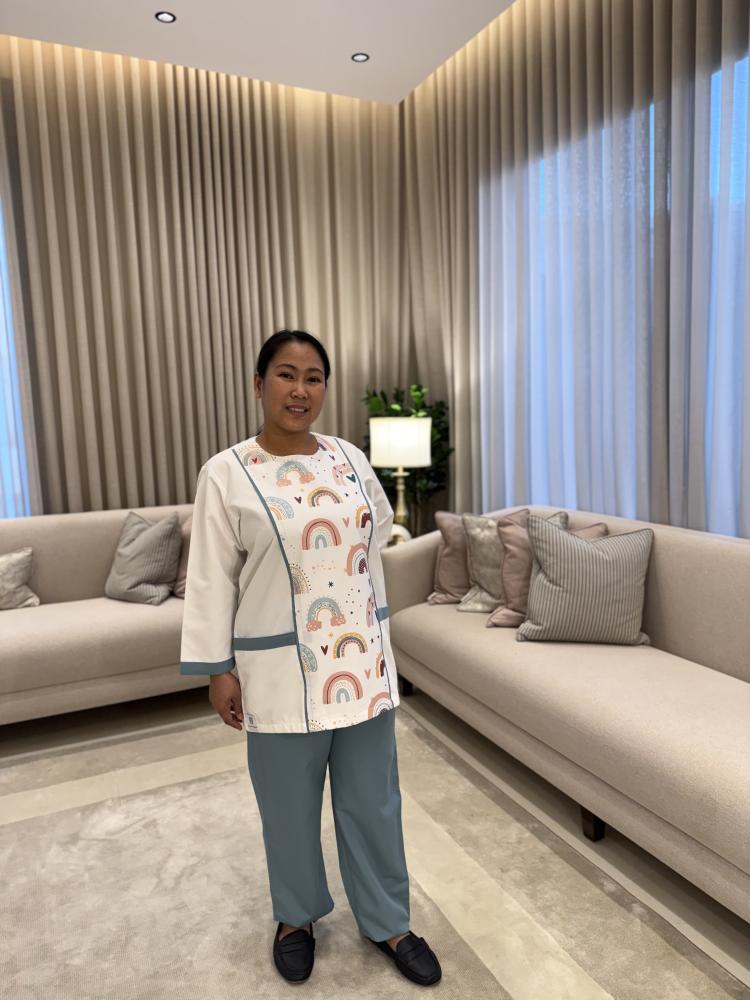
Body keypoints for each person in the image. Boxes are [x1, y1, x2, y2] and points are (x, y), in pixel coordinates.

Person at [179, 330, 442, 987]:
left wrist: (373, 634)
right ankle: (295, 919)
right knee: (288, 806)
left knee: (374, 803)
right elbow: (211, 579)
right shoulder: (226, 473)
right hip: (277, 673)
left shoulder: (350, 458)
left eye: (314, 377)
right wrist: (217, 668)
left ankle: (388, 921)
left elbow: (375, 541)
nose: (300, 390)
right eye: (286, 374)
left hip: (361, 666)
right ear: (258, 384)